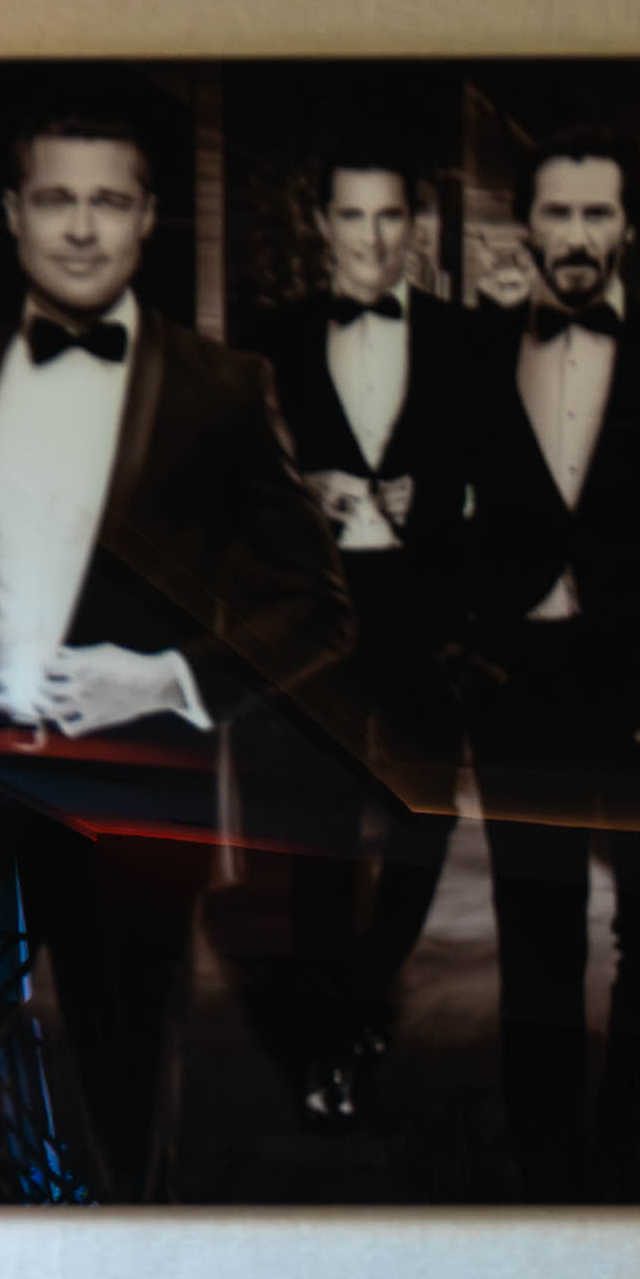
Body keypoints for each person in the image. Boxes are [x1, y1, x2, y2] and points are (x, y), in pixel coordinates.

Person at [0, 108, 344, 1200]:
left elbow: (316, 608)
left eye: (109, 201)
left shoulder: (223, 387)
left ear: (148, 218)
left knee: (123, 1103)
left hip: (133, 809)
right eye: (57, 199)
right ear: (14, 214)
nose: (81, 228)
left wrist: (172, 679)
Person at [440, 130, 640, 1197]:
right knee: (536, 938)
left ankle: (622, 1138)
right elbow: (430, 521)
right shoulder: (464, 352)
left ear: (626, 229)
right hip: (518, 690)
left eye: (596, 214)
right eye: (556, 213)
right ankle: (548, 1166)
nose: (574, 235)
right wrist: (457, 646)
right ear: (524, 223)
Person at [237, 145, 503, 1121]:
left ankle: (369, 981)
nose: (372, 238)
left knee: (425, 816)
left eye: (390, 217)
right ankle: (325, 1032)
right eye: (352, 217)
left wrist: (437, 500)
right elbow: (231, 490)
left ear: (415, 228)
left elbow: (502, 481)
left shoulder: (468, 340)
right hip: (314, 618)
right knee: (316, 827)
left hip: (424, 616)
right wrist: (300, 496)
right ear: (322, 224)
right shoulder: (267, 341)